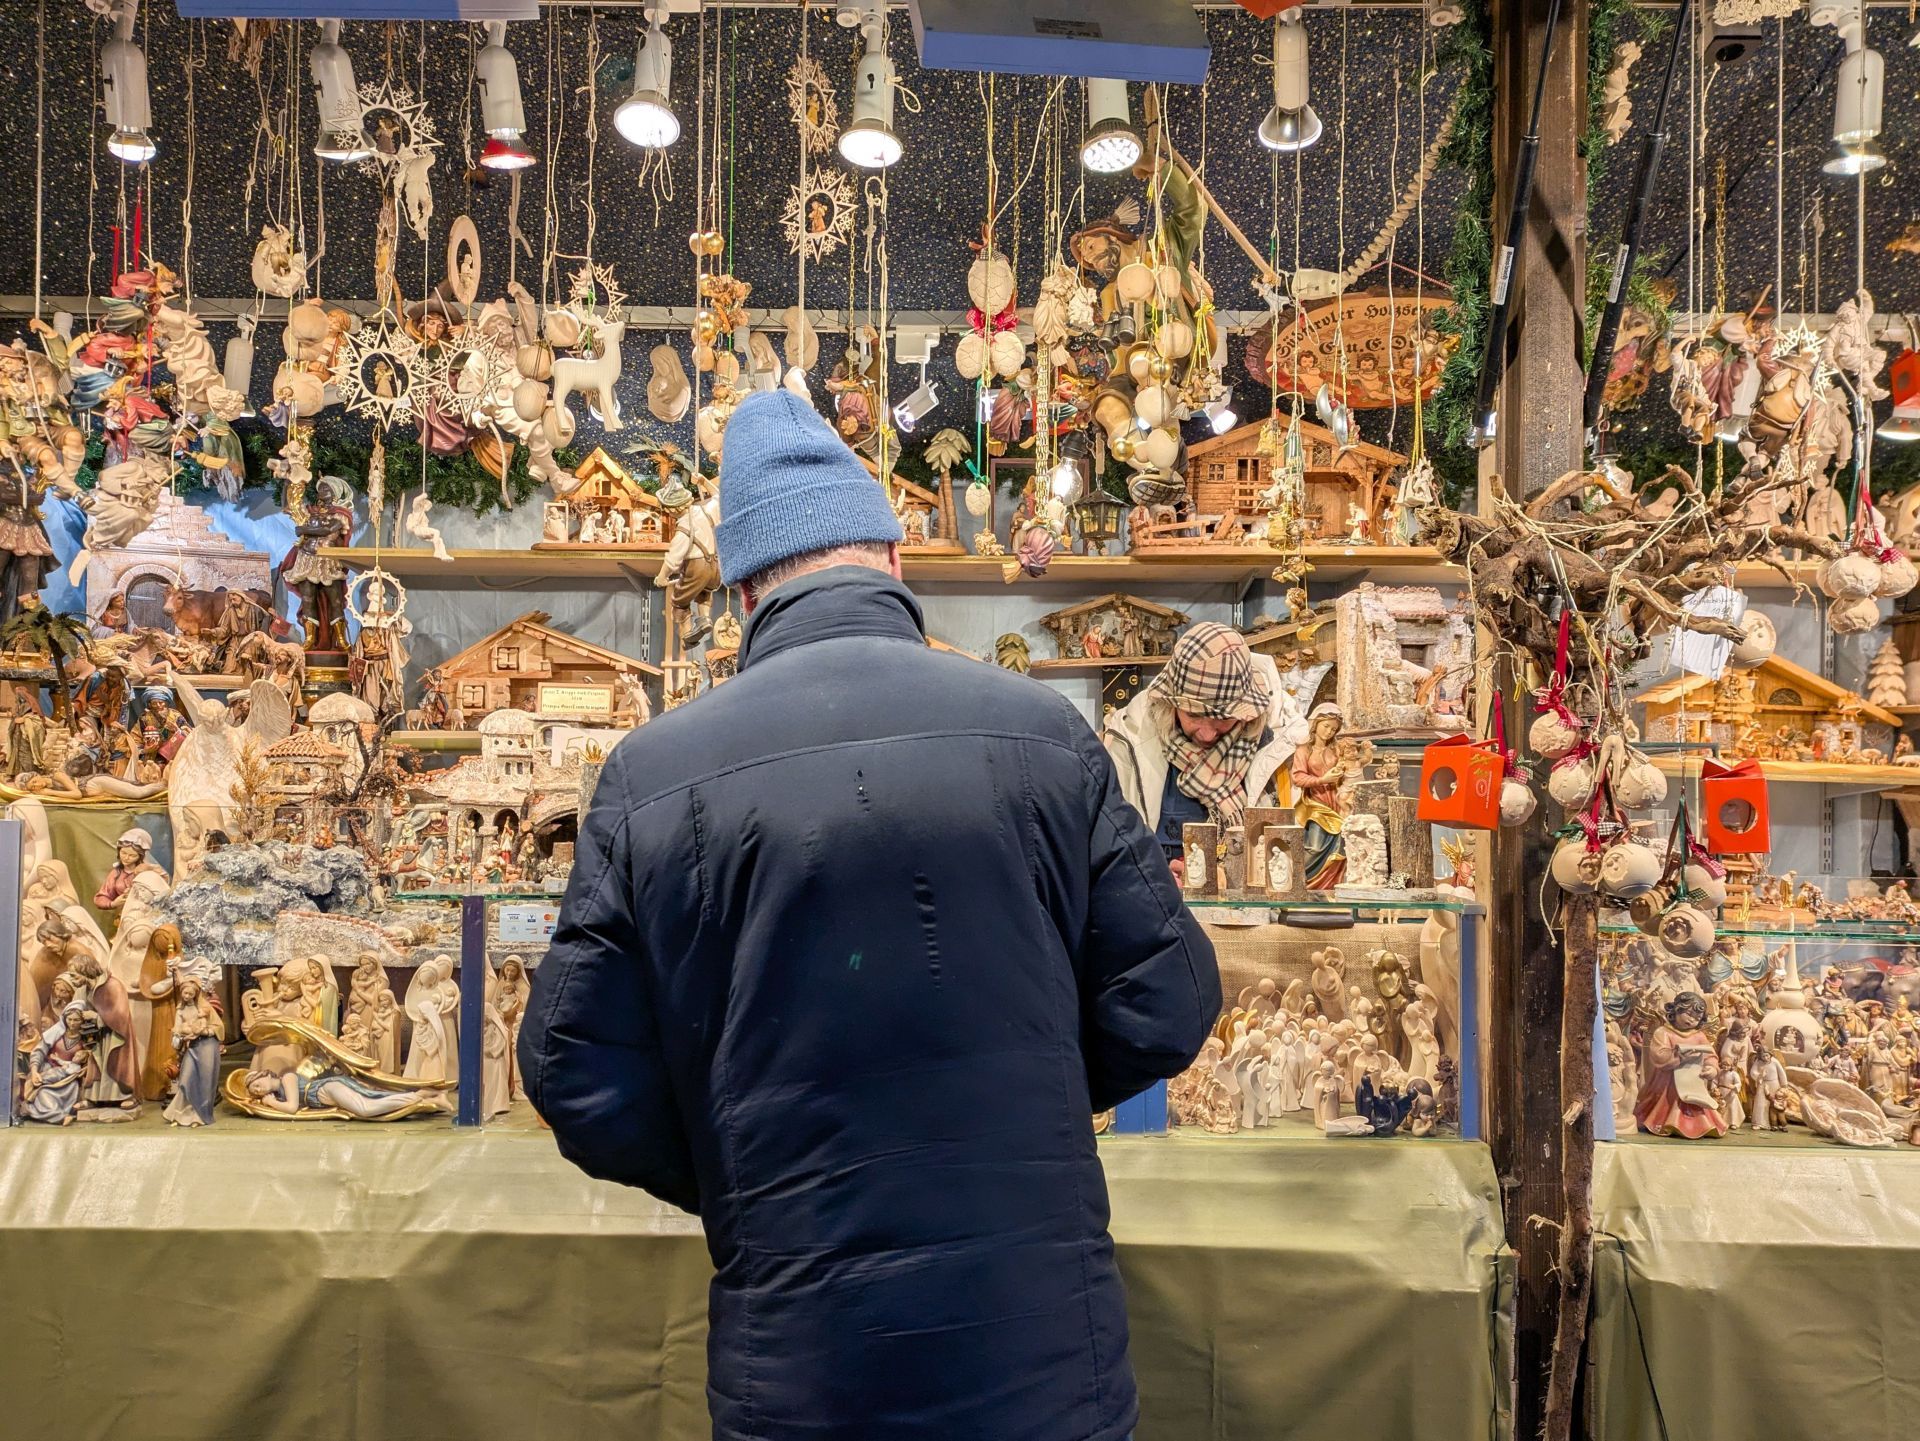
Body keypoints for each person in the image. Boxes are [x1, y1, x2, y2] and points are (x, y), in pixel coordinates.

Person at [521, 388, 1219, 1441]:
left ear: (743, 594)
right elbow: (1167, 998)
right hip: (1040, 1366)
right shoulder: (1044, 732)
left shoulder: (650, 776)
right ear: (892, 561)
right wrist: (1028, 1097)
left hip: (802, 1374)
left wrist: (738, 1167)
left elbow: (573, 1070)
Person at [1102, 621, 1307, 874]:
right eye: (1194, 715)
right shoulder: (1128, 741)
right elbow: (1110, 849)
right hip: (1161, 906)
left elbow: (1299, 855)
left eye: (1223, 718)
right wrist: (1154, 877)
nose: (1208, 733)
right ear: (1171, 704)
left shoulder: (1281, 742)